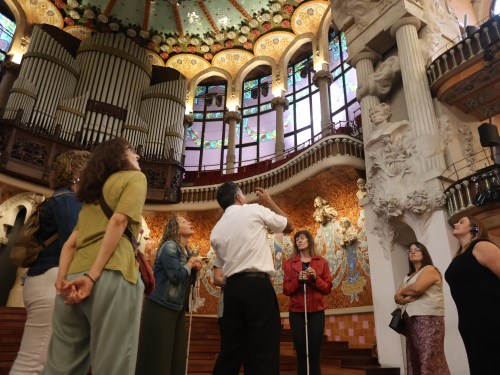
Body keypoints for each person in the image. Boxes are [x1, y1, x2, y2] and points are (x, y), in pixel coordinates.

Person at [42, 137, 147, 375]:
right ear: (119, 156)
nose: (138, 156)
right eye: (132, 152)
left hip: (72, 280)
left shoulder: (91, 195)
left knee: (59, 366)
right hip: (112, 275)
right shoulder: (135, 178)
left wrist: (62, 280)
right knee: (112, 366)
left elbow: (70, 244)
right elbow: (119, 221)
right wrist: (92, 277)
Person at [10, 150, 90, 375]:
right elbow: (75, 244)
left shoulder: (59, 197)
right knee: (33, 362)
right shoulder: (67, 200)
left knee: (42, 361)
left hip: (43, 278)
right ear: (77, 173)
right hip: (50, 279)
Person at [210, 182, 293, 375]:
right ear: (239, 197)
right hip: (256, 286)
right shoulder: (253, 210)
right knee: (264, 347)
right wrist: (269, 201)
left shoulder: (216, 231)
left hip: (232, 290)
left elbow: (222, 263)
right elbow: (289, 226)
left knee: (231, 350)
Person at [135, 214, 203, 375]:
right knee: (159, 357)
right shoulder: (170, 247)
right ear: (175, 228)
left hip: (176, 307)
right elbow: (176, 276)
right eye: (184, 221)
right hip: (160, 305)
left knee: (175, 356)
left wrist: (194, 267)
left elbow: (186, 278)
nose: (189, 222)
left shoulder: (185, 250)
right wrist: (191, 263)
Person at [445, 216, 500, 375]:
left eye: (461, 222)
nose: (455, 224)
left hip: (491, 319)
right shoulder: (460, 255)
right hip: (470, 322)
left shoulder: (481, 246)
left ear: (474, 228)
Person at [394, 242, 450, 375]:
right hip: (411, 322)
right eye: (410, 250)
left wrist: (406, 291)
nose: (413, 252)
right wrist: (407, 296)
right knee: (415, 360)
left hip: (429, 319)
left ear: (423, 253)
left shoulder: (430, 269)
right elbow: (397, 297)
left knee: (429, 359)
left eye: (417, 249)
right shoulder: (409, 276)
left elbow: (417, 288)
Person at [283, 229, 332, 375]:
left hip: (317, 311)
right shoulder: (289, 264)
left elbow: (327, 288)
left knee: (315, 350)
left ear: (309, 240)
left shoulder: (321, 262)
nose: (299, 240)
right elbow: (286, 290)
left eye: (302, 238)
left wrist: (316, 279)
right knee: (301, 350)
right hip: (297, 312)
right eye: (297, 239)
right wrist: (298, 281)